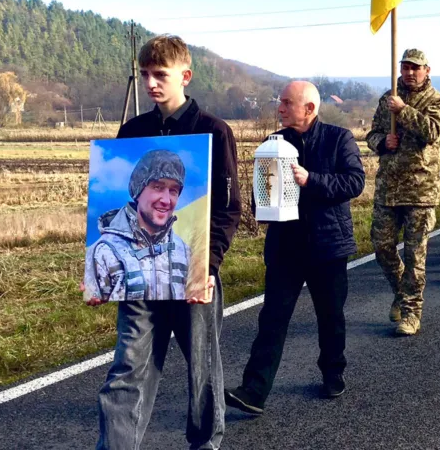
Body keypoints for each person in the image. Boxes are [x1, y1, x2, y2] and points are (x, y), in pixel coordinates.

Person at [89, 34, 241, 450]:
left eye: (160, 74)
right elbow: (117, 203)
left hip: (194, 274)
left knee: (203, 369)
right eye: (145, 75)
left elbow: (228, 209)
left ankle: (205, 444)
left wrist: (206, 267)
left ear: (185, 76)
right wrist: (100, 278)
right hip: (137, 276)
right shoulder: (133, 131)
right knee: (128, 368)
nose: (151, 83)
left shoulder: (212, 130)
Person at [224, 81, 365, 415]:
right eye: (280, 102)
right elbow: (263, 187)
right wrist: (262, 202)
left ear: (310, 108)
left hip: (328, 246)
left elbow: (354, 182)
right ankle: (253, 391)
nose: (280, 108)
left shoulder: (338, 139)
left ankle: (333, 373)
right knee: (272, 319)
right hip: (285, 246)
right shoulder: (272, 143)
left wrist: (310, 179)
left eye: (287, 103)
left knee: (330, 316)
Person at [367, 48, 440, 336]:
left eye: (416, 68)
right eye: (405, 67)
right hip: (388, 188)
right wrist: (382, 142)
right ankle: (401, 292)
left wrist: (403, 111)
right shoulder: (387, 99)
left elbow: (433, 133)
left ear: (427, 70)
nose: (410, 73)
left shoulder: (437, 101)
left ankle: (412, 313)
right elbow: (372, 134)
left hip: (420, 191)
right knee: (382, 246)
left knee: (416, 255)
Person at [84, 150, 191, 302]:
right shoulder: (103, 251)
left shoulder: (184, 251)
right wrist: (91, 293)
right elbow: (92, 305)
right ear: (138, 190)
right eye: (158, 187)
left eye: (173, 191)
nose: (166, 200)